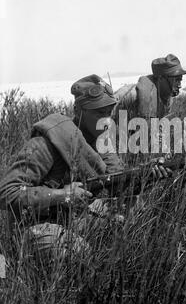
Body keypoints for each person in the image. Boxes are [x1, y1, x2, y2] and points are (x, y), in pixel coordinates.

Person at [0, 74, 171, 260]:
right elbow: (6, 193)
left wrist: (146, 176)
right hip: (34, 224)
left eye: (109, 112)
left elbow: (119, 184)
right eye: (98, 113)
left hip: (73, 218)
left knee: (133, 210)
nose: (106, 120)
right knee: (79, 252)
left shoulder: (102, 143)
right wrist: (62, 195)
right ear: (78, 110)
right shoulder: (46, 143)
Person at [114, 53, 186, 120]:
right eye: (176, 80)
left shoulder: (167, 97)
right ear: (161, 78)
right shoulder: (132, 95)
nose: (179, 85)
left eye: (180, 80)